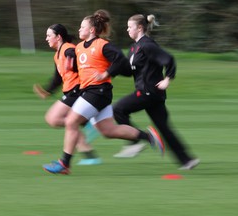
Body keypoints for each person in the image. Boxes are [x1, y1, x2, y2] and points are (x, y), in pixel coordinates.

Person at [42, 10, 165, 175]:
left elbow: (121, 61)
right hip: (93, 93)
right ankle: (149, 136)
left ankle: (64, 163)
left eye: (82, 27)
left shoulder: (102, 45)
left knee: (71, 122)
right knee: (108, 131)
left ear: (91, 30)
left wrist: (106, 73)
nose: (79, 30)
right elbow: (76, 68)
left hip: (98, 91)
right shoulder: (78, 48)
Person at [113, 14, 200, 170]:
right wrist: (111, 70)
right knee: (164, 128)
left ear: (139, 28)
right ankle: (187, 160)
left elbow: (169, 59)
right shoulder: (134, 47)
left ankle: (135, 141)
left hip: (148, 92)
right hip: (152, 94)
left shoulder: (147, 45)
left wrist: (168, 79)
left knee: (118, 109)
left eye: (129, 27)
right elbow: (130, 71)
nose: (127, 30)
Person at [33, 23, 102, 165]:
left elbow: (84, 64)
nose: (46, 39)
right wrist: (47, 91)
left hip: (77, 91)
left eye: (49, 36)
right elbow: (58, 78)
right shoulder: (57, 55)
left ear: (58, 37)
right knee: (64, 122)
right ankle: (90, 155)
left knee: (53, 118)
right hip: (70, 91)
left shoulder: (69, 50)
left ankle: (88, 124)